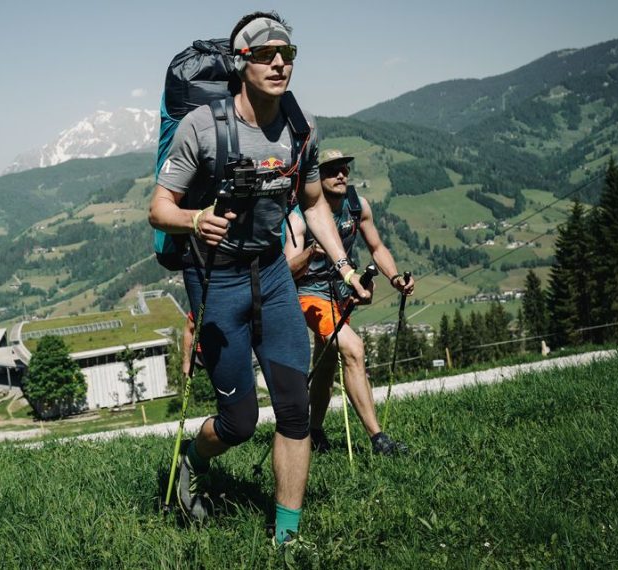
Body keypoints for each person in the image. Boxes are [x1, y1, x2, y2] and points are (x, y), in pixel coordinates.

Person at [148, 12, 369, 543]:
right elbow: (159, 208)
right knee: (239, 422)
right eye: (267, 54)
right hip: (216, 280)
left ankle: (286, 540)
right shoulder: (204, 126)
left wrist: (342, 268)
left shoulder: (300, 126)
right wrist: (195, 219)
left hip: (271, 274)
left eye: (287, 55)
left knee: (294, 409)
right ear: (242, 61)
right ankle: (193, 460)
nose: (279, 64)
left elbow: (314, 203)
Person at [283, 149, 415, 456]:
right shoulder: (300, 215)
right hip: (311, 296)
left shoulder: (357, 205)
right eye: (332, 170)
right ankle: (379, 440)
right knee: (354, 350)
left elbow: (377, 246)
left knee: (327, 362)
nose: (341, 174)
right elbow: (288, 268)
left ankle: (314, 432)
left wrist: (395, 278)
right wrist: (310, 253)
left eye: (344, 168)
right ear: (316, 177)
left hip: (341, 294)